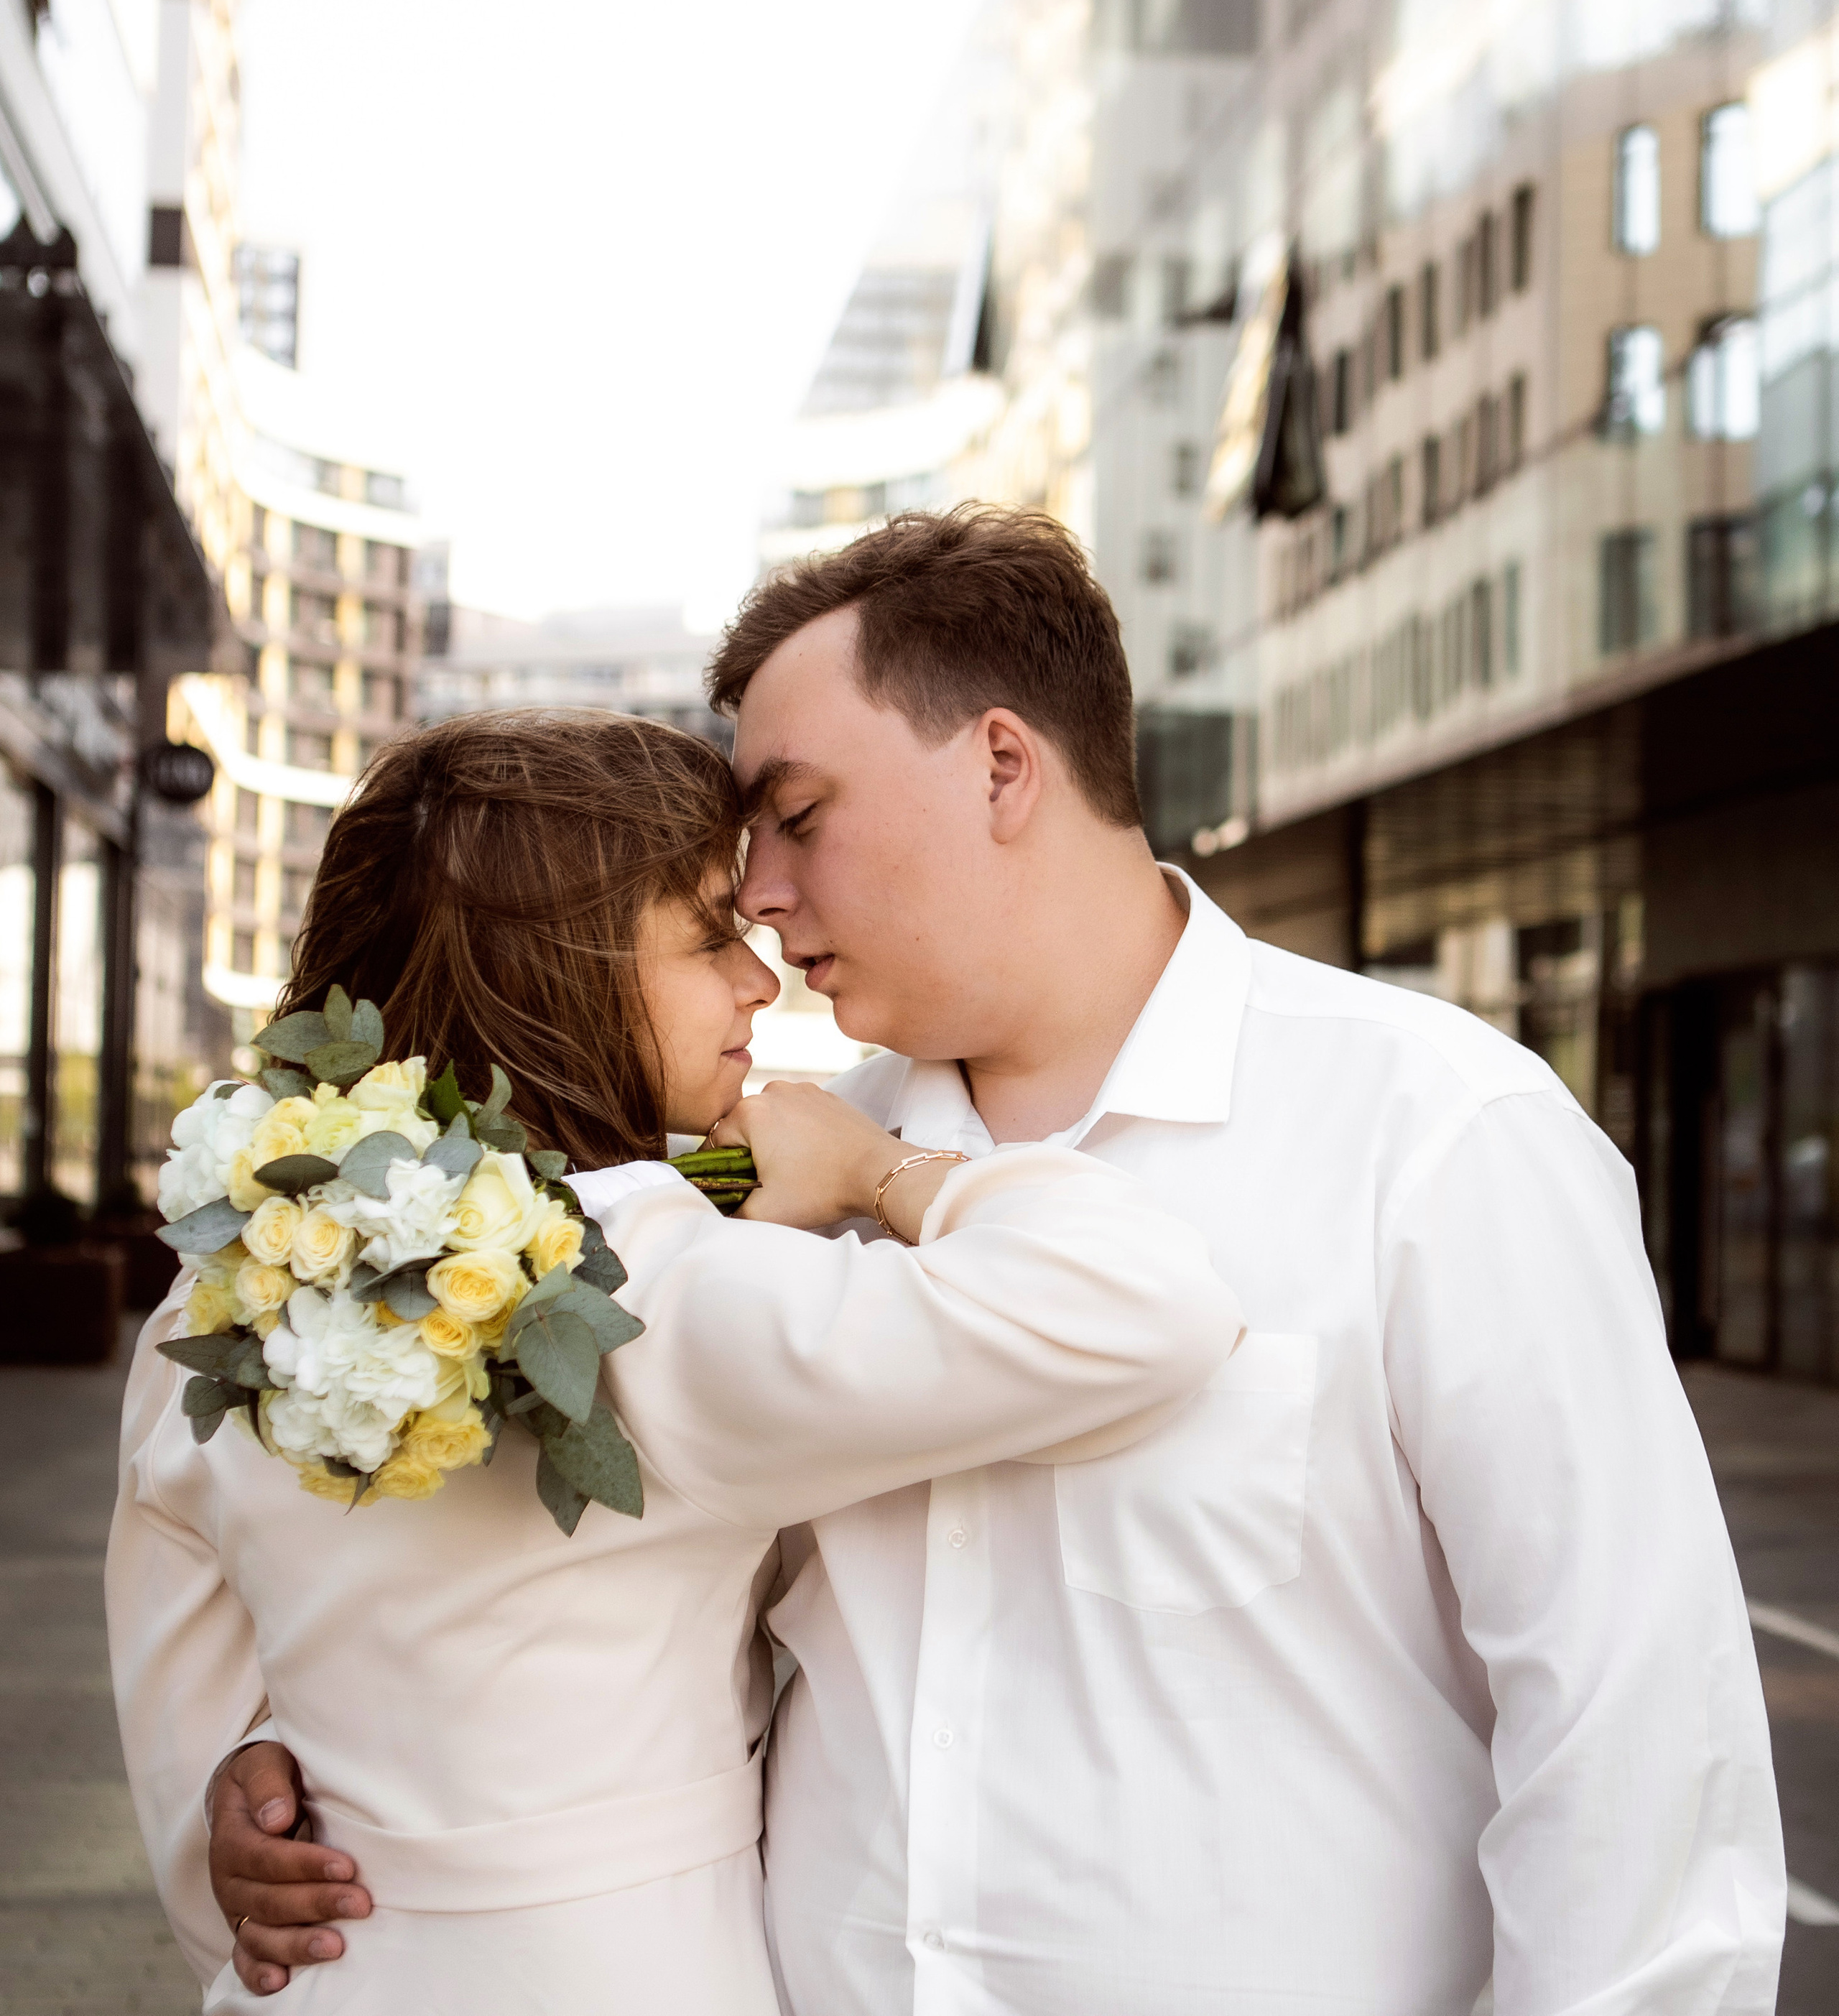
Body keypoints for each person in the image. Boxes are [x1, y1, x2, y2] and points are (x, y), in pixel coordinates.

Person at [213, 505, 1787, 2016]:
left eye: (797, 817)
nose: (757, 894)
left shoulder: (1438, 1135)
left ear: (1001, 766)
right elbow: (565, 1586)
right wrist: (292, 1768)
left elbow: (1634, 1728)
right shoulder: (739, 1173)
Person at [108, 705, 1240, 2011]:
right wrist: (882, 1167)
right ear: (556, 969)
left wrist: (243, 1796)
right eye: (713, 935)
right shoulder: (644, 1288)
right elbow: (1147, 1306)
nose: (764, 981)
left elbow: (181, 1723)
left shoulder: (234, 1287)